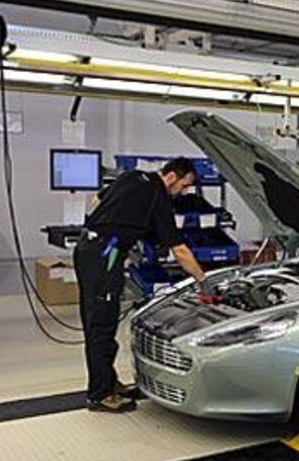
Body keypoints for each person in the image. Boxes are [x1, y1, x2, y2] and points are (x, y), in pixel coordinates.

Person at [73, 157, 208, 413]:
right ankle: (99, 394)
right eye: (185, 185)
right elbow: (179, 250)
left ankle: (108, 382)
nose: (184, 192)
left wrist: (122, 226)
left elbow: (98, 201)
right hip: (105, 254)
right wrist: (203, 281)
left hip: (92, 248)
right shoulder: (158, 195)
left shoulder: (132, 176)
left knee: (102, 319)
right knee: (101, 324)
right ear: (171, 177)